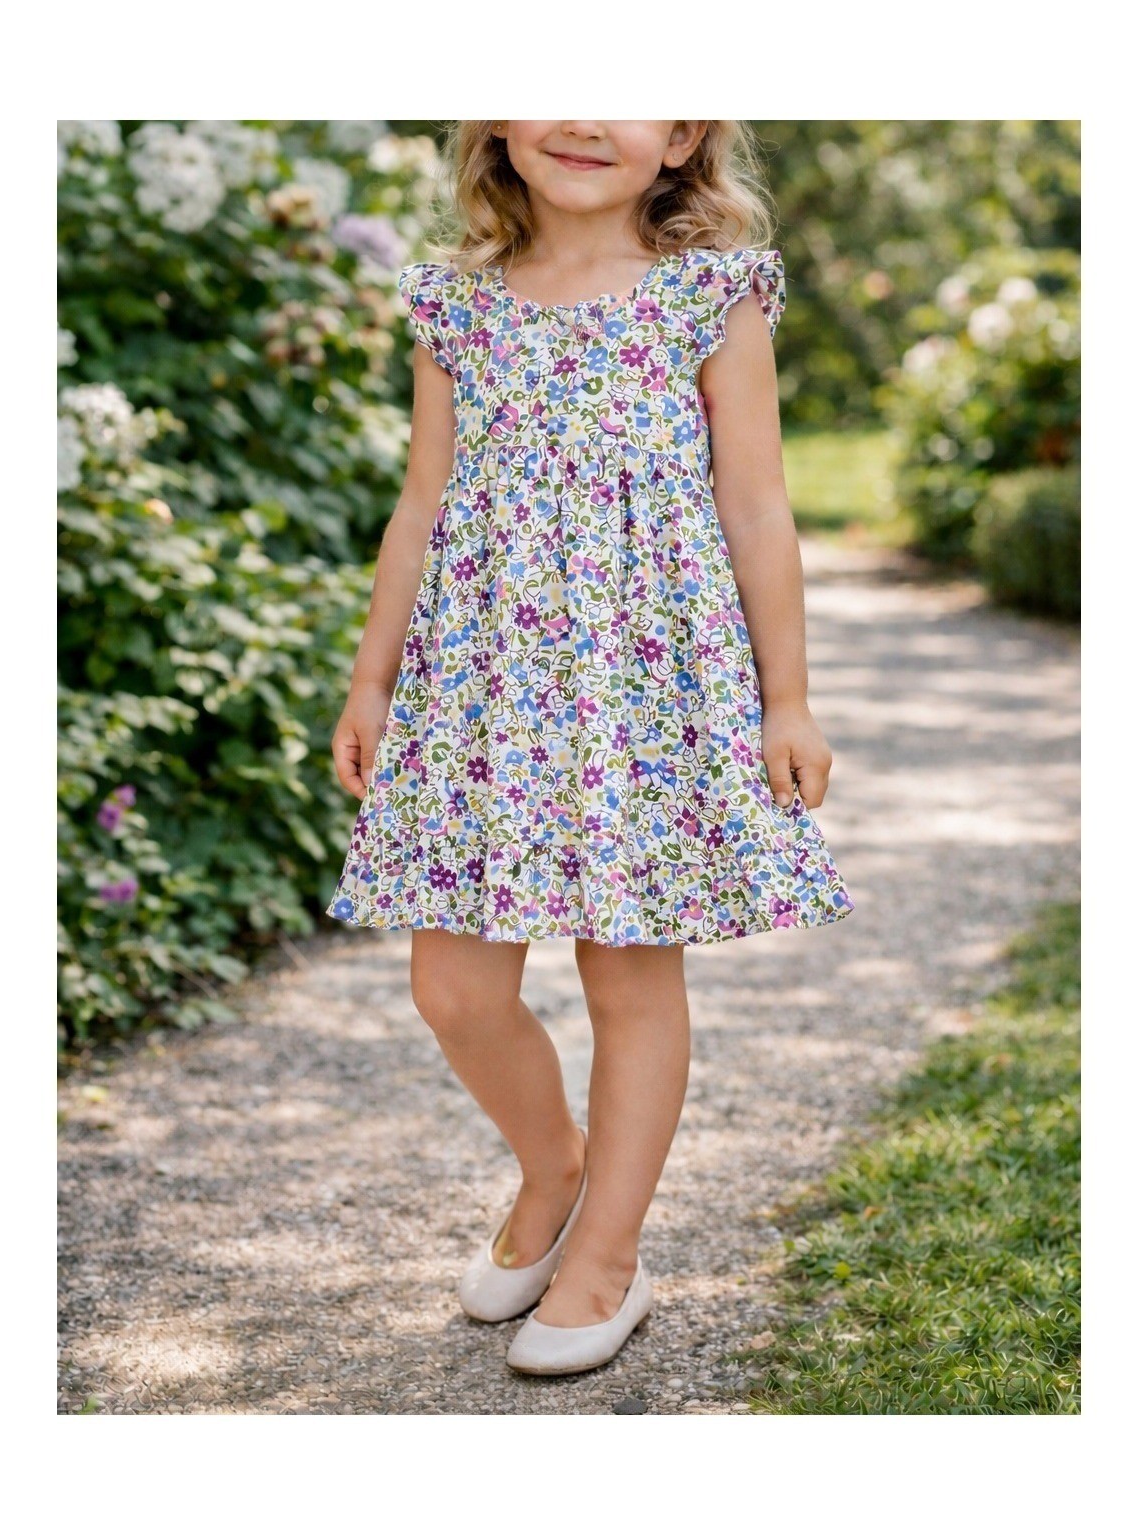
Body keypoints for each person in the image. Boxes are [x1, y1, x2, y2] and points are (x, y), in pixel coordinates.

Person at [328, 121, 854, 1377]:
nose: (580, 118)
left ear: (681, 136)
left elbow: (757, 504)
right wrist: (372, 678)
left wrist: (787, 699)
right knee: (454, 989)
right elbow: (421, 503)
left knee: (628, 978)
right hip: (483, 688)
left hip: (646, 688)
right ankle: (554, 1165)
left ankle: (608, 1254)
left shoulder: (710, 295)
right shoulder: (455, 305)